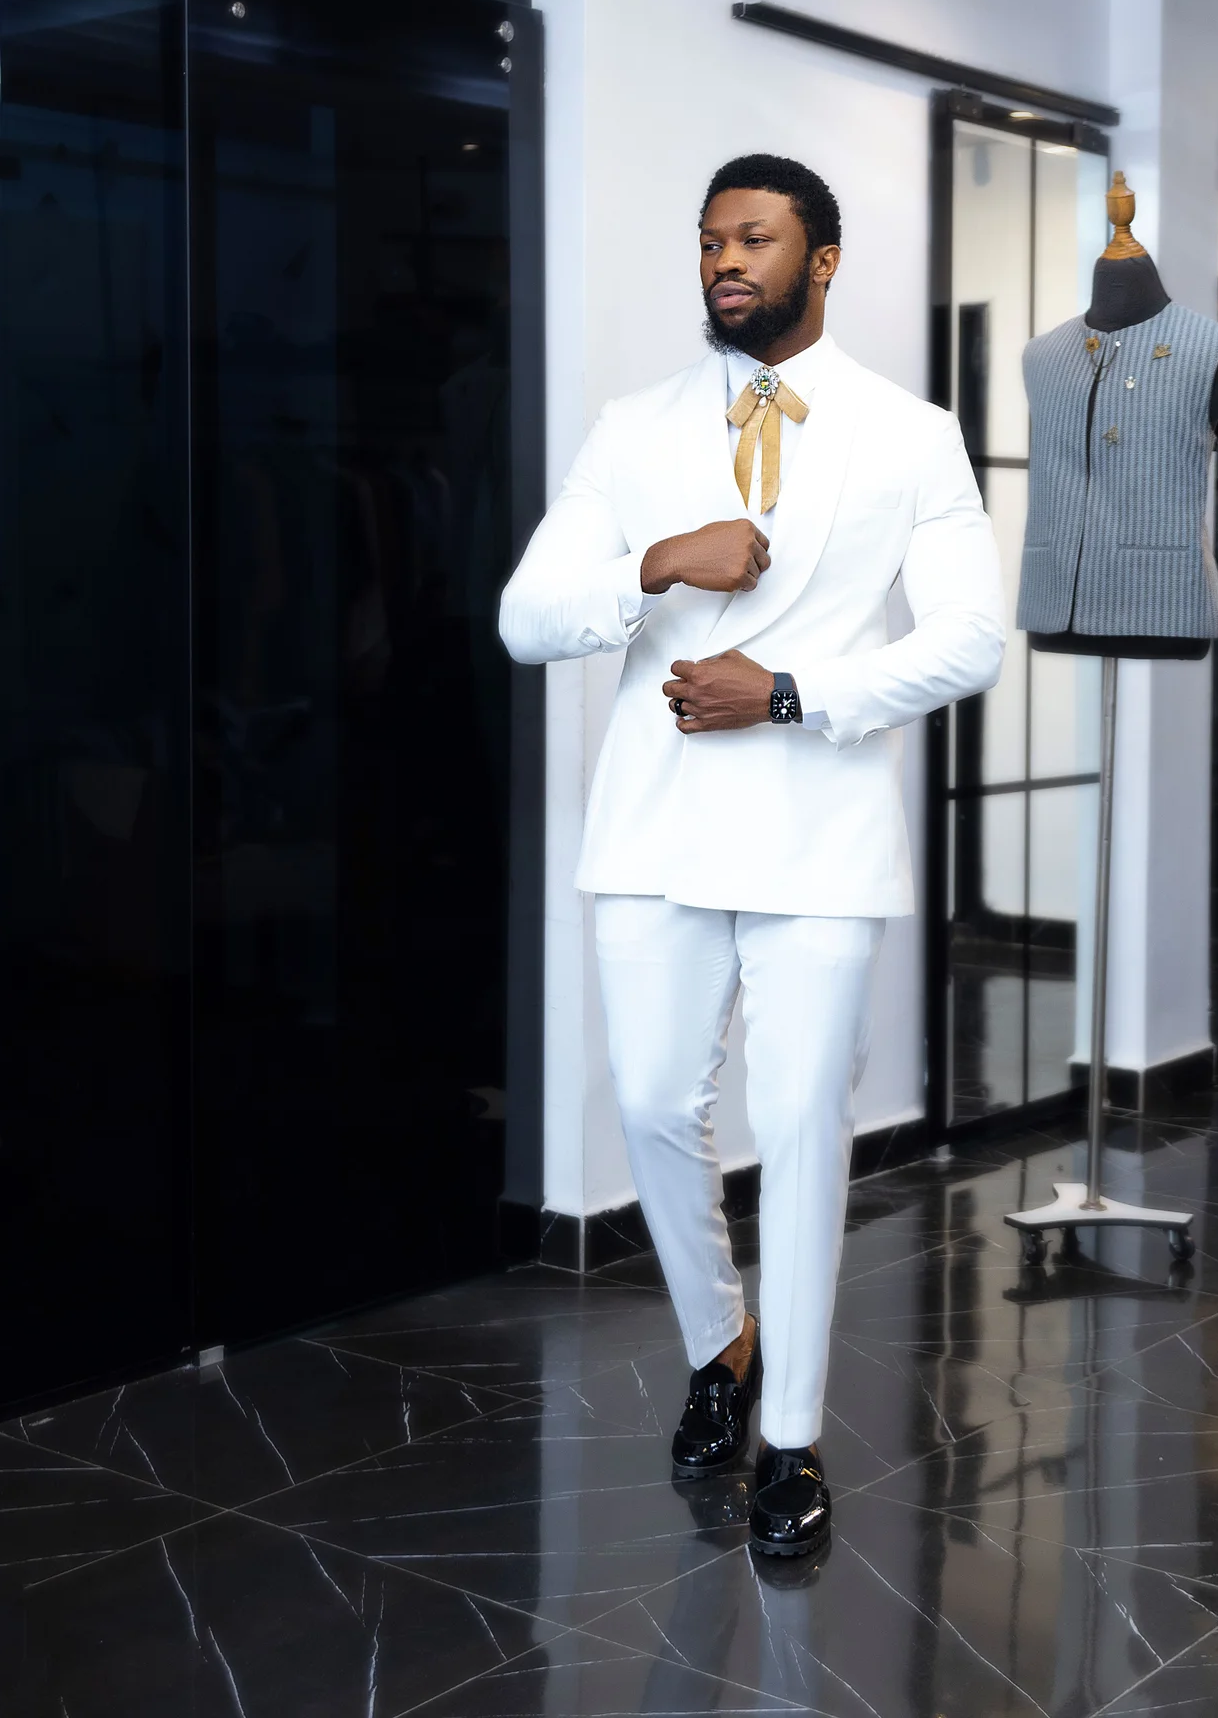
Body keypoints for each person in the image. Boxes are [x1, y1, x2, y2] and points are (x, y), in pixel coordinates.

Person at [499, 154, 1005, 1556]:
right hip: (653, 829)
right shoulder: (634, 428)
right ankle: (722, 1343)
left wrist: (787, 692)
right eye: (712, 238)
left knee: (797, 1128)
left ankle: (788, 1435)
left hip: (818, 832)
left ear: (821, 260)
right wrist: (655, 562)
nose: (727, 259)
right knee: (656, 1104)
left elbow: (970, 640)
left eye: (757, 238)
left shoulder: (912, 435)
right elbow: (526, 619)